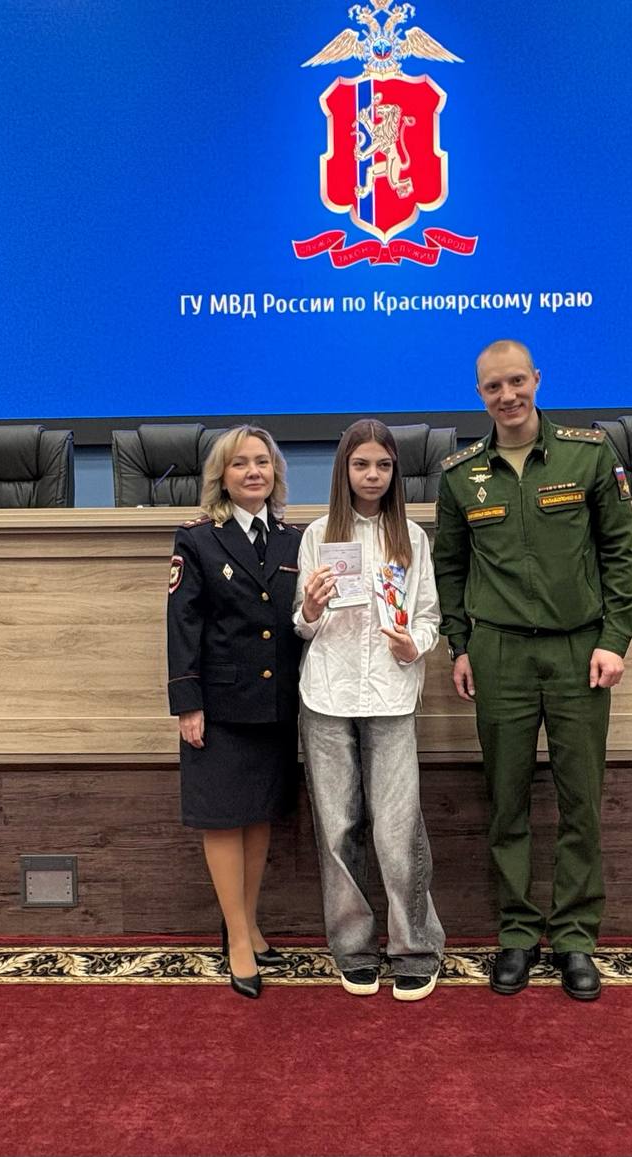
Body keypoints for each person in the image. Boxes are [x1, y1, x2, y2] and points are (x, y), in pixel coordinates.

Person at [433, 340, 632, 1001]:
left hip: (579, 652)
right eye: (494, 386)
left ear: (537, 379)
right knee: (507, 800)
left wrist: (615, 639)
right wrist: (459, 645)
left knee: (581, 799)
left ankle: (576, 937)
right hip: (499, 654)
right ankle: (518, 933)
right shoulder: (459, 474)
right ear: (480, 394)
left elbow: (620, 554)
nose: (508, 395)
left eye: (517, 381)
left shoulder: (588, 455)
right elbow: (449, 568)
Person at [294, 419, 446, 1001]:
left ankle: (415, 948)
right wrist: (310, 609)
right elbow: (301, 625)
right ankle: (353, 948)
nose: (373, 475)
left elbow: (428, 617)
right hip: (327, 696)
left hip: (390, 695)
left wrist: (415, 645)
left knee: (397, 828)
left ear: (395, 471)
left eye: (383, 465)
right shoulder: (317, 536)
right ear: (344, 470)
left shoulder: (413, 538)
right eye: (362, 465)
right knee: (337, 829)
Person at [166, 424, 303, 999]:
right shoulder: (198, 538)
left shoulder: (295, 540)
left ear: (275, 473)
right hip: (220, 704)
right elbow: (183, 624)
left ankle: (246, 923)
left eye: (262, 462)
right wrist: (187, 702)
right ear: (221, 476)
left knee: (259, 814)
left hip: (275, 702)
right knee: (223, 816)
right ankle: (239, 941)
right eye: (241, 463)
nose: (253, 472)